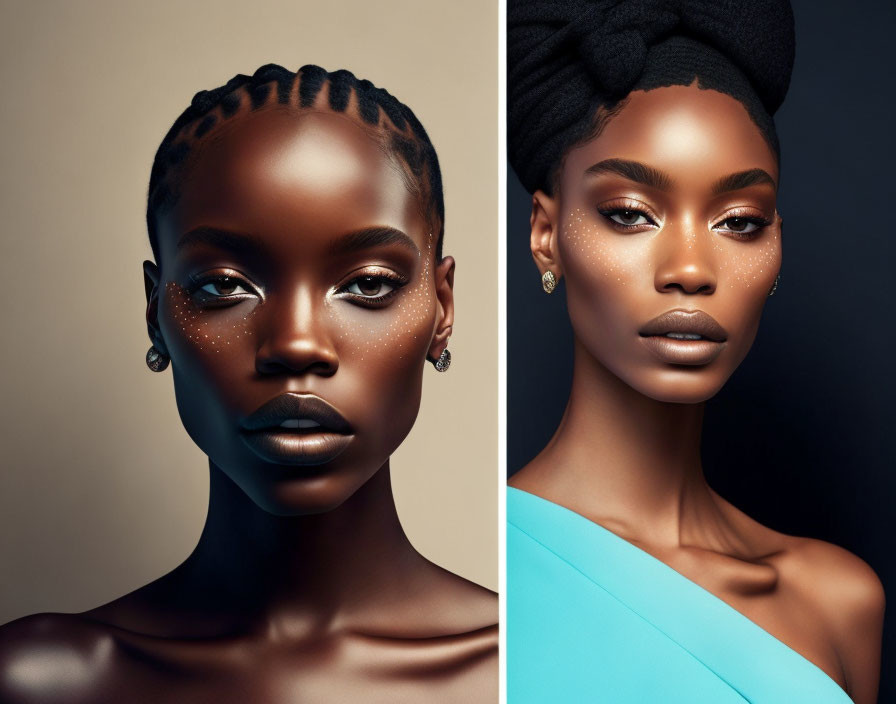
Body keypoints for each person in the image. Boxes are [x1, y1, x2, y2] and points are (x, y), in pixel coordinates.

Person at [0, 64, 497, 702]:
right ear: (156, 312)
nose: (295, 345)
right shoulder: (46, 682)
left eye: (367, 284)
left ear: (441, 306)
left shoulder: (536, 673)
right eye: (223, 287)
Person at [506, 1, 884, 702]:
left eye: (739, 222)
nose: (690, 267)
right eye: (629, 214)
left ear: (775, 247)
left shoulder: (838, 601)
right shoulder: (476, 579)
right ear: (544, 232)